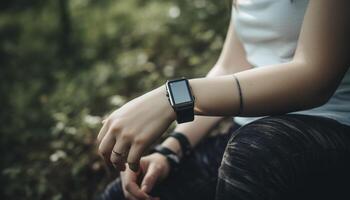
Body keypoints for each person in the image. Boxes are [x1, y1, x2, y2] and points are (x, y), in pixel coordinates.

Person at [97, 0, 350, 199]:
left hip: (329, 130)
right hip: (248, 134)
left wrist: (173, 98)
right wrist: (170, 151)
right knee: (123, 194)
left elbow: (315, 77)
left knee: (253, 152)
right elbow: (231, 66)